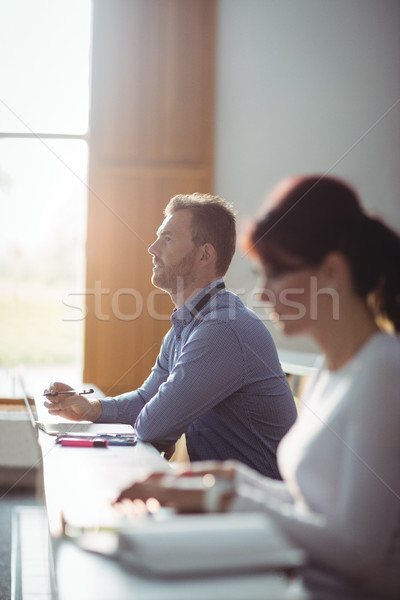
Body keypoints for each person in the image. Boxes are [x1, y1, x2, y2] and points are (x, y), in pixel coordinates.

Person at [116, 177, 400, 600]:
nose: (264, 293)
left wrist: (225, 499)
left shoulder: (383, 371)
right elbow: (314, 503)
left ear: (332, 273)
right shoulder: (333, 370)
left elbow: (357, 551)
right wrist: (233, 479)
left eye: (277, 273)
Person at [44, 193, 297, 477]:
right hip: (226, 501)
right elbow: (147, 400)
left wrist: (162, 432)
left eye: (167, 239)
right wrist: (90, 408)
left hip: (259, 511)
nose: (151, 248)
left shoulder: (221, 329)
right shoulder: (189, 325)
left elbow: (153, 424)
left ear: (204, 254)